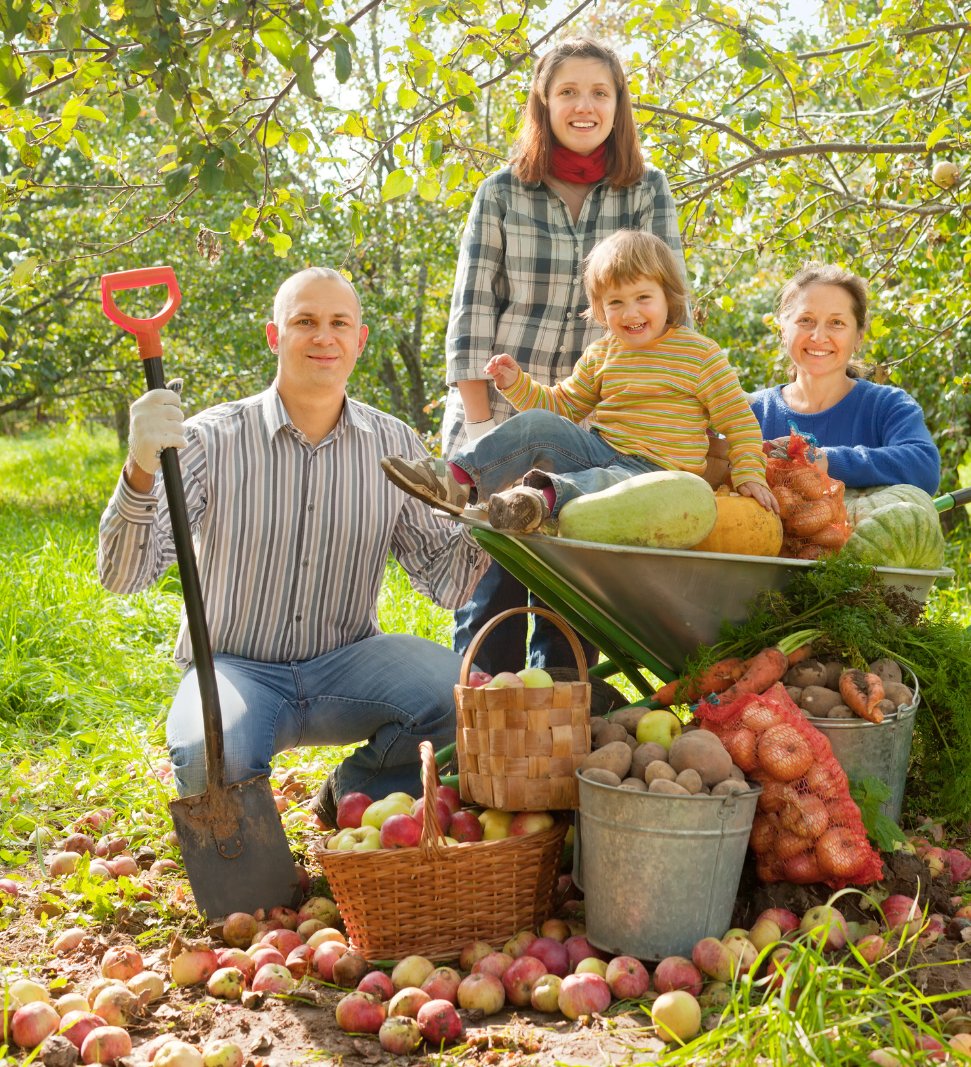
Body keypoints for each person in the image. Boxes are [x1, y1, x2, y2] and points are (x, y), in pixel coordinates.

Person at [98, 267, 491, 825]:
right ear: (274, 335)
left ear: (361, 339)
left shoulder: (394, 444)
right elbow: (122, 575)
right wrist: (140, 467)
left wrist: (486, 515)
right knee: (210, 753)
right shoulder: (210, 439)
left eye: (339, 323)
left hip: (348, 664)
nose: (323, 336)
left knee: (457, 699)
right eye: (304, 321)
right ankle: (251, 874)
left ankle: (352, 792)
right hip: (234, 669)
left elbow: (447, 583)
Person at [442, 36, 691, 675]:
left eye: (600, 93)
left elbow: (669, 311)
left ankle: (561, 743)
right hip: (500, 423)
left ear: (618, 105)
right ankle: (481, 744)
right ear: (544, 102)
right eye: (569, 91)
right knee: (492, 592)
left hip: (597, 436)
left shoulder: (646, 191)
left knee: (574, 607)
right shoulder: (503, 192)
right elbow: (471, 314)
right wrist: (480, 427)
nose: (585, 106)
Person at [383, 230, 777, 536]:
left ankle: (535, 502)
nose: (631, 312)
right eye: (616, 303)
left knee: (605, 484)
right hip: (600, 448)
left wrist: (748, 475)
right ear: (601, 310)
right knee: (538, 423)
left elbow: (739, 424)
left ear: (668, 297)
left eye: (643, 297)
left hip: (657, 476)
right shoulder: (604, 351)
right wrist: (516, 383)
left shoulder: (699, 354)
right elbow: (563, 407)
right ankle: (457, 479)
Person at [748, 263, 940, 494]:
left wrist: (827, 460)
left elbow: (924, 467)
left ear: (858, 336)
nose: (819, 336)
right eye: (805, 320)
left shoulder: (888, 406)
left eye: (836, 323)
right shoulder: (752, 411)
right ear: (783, 330)